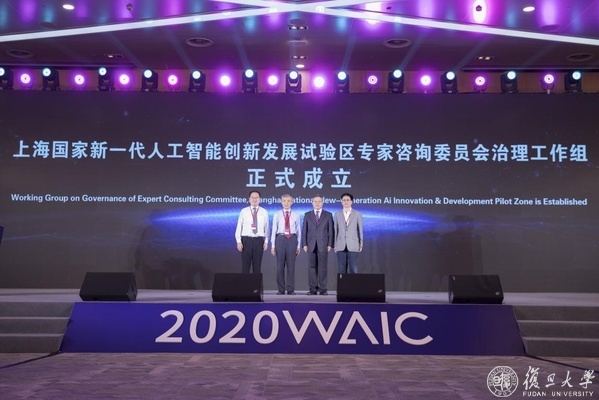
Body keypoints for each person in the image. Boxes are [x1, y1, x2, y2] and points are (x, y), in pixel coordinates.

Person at [302, 194, 334, 295]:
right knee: (311, 267)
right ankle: (313, 289)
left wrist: (330, 244)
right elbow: (304, 231)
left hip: (323, 244)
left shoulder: (328, 215)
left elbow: (331, 231)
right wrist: (304, 244)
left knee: (323, 267)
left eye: (319, 201)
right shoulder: (307, 215)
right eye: (315, 201)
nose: (317, 203)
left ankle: (323, 289)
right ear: (312, 203)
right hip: (310, 244)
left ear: (322, 203)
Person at [270, 194, 301, 295]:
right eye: (284, 201)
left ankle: (290, 289)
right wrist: (273, 245)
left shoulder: (296, 215)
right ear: (281, 202)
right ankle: (281, 289)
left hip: (292, 239)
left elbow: (298, 231)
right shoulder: (277, 214)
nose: (286, 203)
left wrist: (298, 245)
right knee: (280, 266)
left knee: (291, 266)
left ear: (292, 202)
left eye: (288, 201)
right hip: (280, 238)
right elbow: (274, 230)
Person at [235, 190, 269, 273]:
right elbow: (239, 226)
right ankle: (245, 282)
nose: (254, 199)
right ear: (249, 199)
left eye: (256, 197)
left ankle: (256, 282)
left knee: (257, 267)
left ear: (260, 199)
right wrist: (238, 241)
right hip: (246, 240)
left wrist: (266, 241)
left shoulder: (264, 212)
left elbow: (267, 228)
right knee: (245, 267)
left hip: (259, 241)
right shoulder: (244, 211)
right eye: (252, 197)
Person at [334, 192, 363, 274]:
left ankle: (353, 283)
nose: (346, 202)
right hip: (340, 244)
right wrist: (335, 244)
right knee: (341, 269)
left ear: (351, 201)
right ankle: (343, 283)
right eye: (344, 200)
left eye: (348, 200)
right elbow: (335, 230)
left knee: (353, 269)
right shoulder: (337, 214)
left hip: (353, 244)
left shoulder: (357, 214)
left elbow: (360, 230)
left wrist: (361, 244)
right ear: (341, 201)